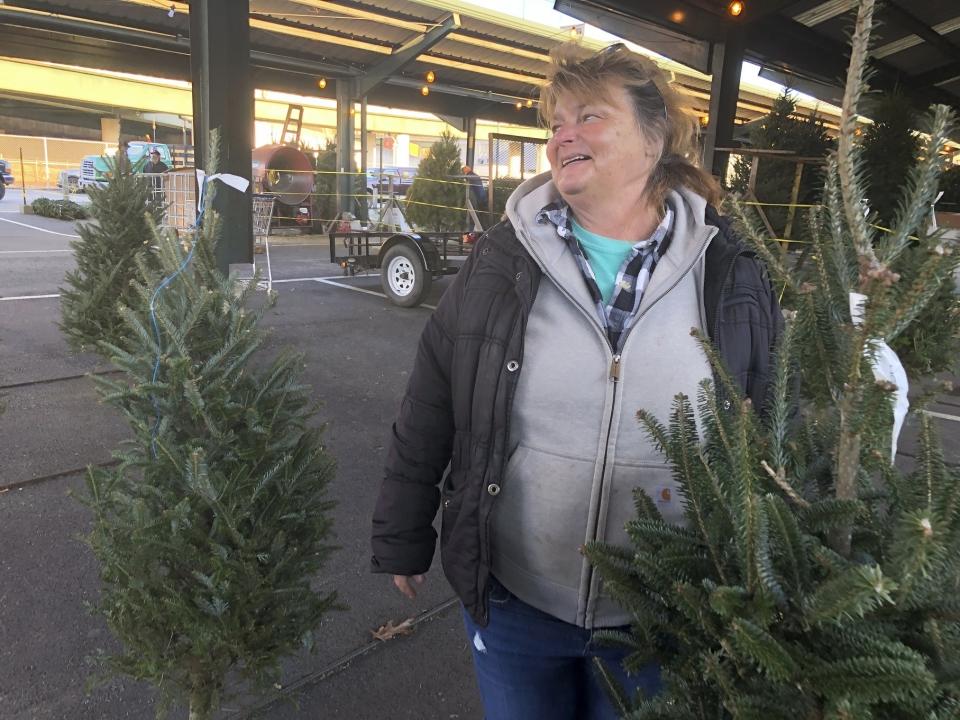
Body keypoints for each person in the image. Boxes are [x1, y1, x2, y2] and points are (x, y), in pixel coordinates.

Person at [371, 42, 782, 719]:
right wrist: (403, 533)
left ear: (655, 139)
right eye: (556, 122)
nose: (564, 134)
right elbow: (432, 401)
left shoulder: (731, 271)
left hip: (663, 615)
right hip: (516, 602)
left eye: (589, 115)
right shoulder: (501, 261)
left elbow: (771, 417)